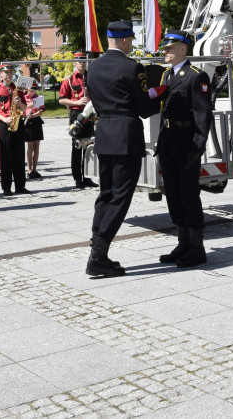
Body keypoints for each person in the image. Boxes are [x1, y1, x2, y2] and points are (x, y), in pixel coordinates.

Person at [83, 20, 164, 277]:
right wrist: (161, 95)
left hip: (104, 133)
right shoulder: (133, 67)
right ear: (127, 40)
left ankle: (97, 243)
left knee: (105, 194)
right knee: (120, 196)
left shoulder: (93, 67)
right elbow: (143, 108)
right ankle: (98, 256)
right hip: (126, 135)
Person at [155, 29, 213, 268]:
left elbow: (203, 116)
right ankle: (183, 242)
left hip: (186, 143)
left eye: (169, 48)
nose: (165, 52)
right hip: (168, 141)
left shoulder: (195, 76)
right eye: (165, 48)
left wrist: (197, 149)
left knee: (189, 196)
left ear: (183, 49)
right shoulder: (166, 76)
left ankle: (197, 247)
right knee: (173, 194)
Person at [0, 64, 29, 195]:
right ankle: (6, 187)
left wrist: (19, 103)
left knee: (19, 156)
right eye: (6, 72)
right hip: (4, 124)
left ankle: (20, 186)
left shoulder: (18, 89)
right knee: (5, 156)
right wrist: (4, 119)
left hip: (18, 123)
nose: (9, 75)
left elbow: (24, 109)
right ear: (0, 74)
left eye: (11, 72)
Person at [59, 51, 97, 188]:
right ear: (74, 63)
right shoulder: (68, 80)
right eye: (79, 61)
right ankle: (77, 178)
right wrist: (77, 102)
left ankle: (87, 176)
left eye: (84, 61)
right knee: (77, 146)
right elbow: (62, 100)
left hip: (89, 113)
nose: (82, 63)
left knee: (88, 146)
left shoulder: (91, 77)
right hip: (76, 113)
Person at [24, 78, 46, 179]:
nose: (32, 92)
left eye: (34, 90)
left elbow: (41, 110)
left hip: (36, 121)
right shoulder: (24, 98)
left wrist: (33, 115)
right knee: (30, 146)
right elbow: (23, 108)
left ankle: (35, 169)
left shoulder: (38, 98)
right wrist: (30, 105)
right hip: (28, 122)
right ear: (27, 90)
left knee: (37, 146)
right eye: (30, 90)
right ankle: (29, 169)